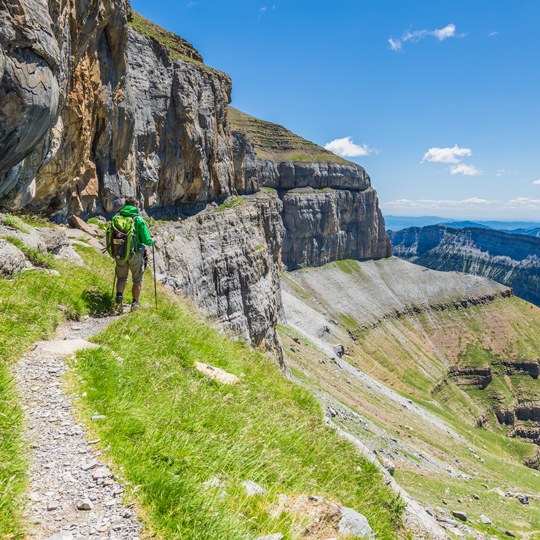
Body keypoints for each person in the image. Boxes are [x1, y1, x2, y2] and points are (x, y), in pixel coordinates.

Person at [114, 197, 154, 312]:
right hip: (135, 254)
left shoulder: (116, 217)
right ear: (135, 206)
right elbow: (147, 240)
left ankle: (118, 302)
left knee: (121, 278)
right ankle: (135, 304)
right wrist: (153, 240)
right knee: (137, 280)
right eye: (138, 205)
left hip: (120, 253)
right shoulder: (138, 220)